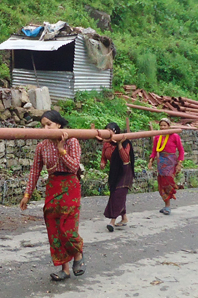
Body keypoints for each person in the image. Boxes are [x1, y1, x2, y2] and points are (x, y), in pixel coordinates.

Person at [19, 111, 86, 281]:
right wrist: (28, 193)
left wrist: (62, 150)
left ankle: (78, 255)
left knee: (68, 229)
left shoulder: (72, 141)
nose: (45, 128)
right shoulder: (42, 146)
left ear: (58, 125)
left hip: (70, 187)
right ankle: (65, 269)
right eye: (42, 125)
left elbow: (73, 168)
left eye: (48, 124)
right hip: (52, 187)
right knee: (54, 229)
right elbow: (35, 170)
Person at [100, 122, 134, 232]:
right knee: (116, 193)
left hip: (125, 171)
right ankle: (124, 218)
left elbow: (125, 159)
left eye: (109, 130)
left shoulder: (125, 143)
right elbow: (104, 156)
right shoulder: (107, 144)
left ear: (115, 132)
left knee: (118, 194)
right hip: (114, 171)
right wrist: (103, 162)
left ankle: (112, 221)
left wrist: (119, 144)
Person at [149, 118, 184, 215]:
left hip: (171, 161)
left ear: (169, 126)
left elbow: (181, 150)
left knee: (168, 182)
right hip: (161, 162)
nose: (163, 127)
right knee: (162, 183)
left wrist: (179, 164)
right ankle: (166, 205)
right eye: (161, 125)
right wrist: (151, 161)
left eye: (165, 125)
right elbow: (154, 151)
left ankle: (168, 206)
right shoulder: (157, 137)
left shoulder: (174, 136)